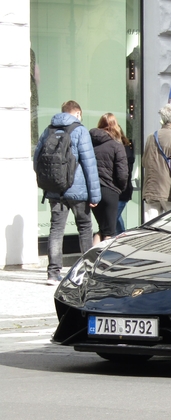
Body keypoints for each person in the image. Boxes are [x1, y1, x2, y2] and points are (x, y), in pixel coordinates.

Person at [33, 100, 101, 285]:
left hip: (55, 190)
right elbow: (89, 165)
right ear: (77, 113)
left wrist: (47, 183)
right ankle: (88, 273)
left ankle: (53, 274)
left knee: (56, 230)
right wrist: (95, 195)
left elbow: (36, 159)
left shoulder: (49, 130)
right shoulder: (80, 130)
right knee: (85, 229)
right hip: (78, 191)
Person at [142, 103, 171, 221]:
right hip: (169, 191)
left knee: (150, 228)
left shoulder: (151, 137)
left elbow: (144, 162)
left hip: (150, 189)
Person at [89, 114, 128, 244]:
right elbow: (122, 173)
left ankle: (92, 258)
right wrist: (120, 189)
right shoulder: (117, 146)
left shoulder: (90, 144)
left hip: (93, 191)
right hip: (110, 192)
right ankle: (105, 262)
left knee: (102, 228)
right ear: (115, 126)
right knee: (109, 233)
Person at [116, 129, 135, 234]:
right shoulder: (125, 149)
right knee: (116, 220)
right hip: (122, 190)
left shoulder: (125, 150)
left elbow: (124, 173)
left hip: (122, 191)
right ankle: (122, 238)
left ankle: (121, 239)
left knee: (113, 219)